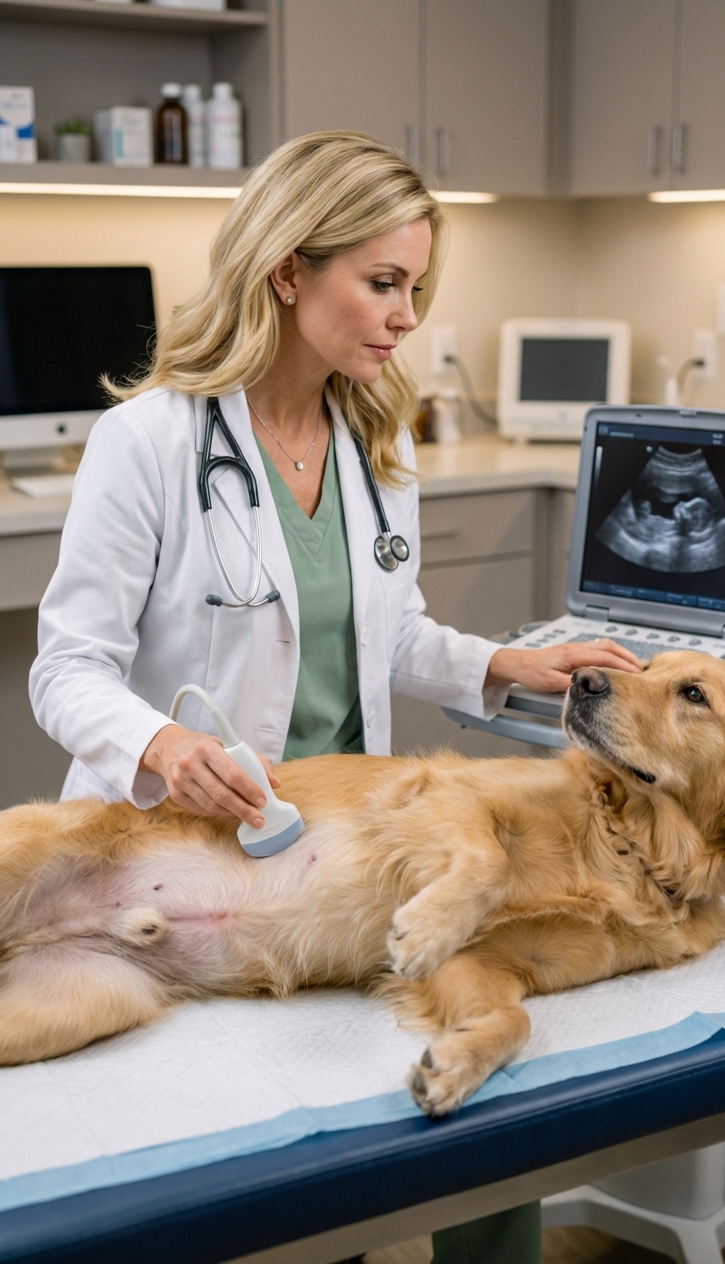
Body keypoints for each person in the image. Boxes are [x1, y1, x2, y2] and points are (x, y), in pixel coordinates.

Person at [30, 131, 641, 1264]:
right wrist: (160, 741)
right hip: (191, 847)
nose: (406, 314)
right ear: (285, 271)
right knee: (255, 1167)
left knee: (483, 1117)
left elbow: (386, 633)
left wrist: (503, 665)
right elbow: (65, 670)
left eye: (415, 286)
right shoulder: (149, 442)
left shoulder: (372, 438)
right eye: (382, 283)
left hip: (358, 846)